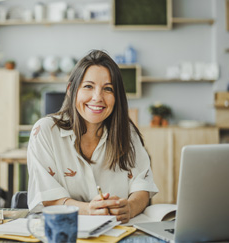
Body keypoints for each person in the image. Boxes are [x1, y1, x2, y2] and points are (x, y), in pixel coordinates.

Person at [27, 50, 158, 223]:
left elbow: (143, 186)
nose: (97, 97)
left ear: (117, 96)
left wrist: (131, 207)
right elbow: (45, 196)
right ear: (70, 90)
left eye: (108, 89)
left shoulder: (127, 132)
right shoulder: (45, 131)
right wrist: (88, 210)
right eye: (88, 86)